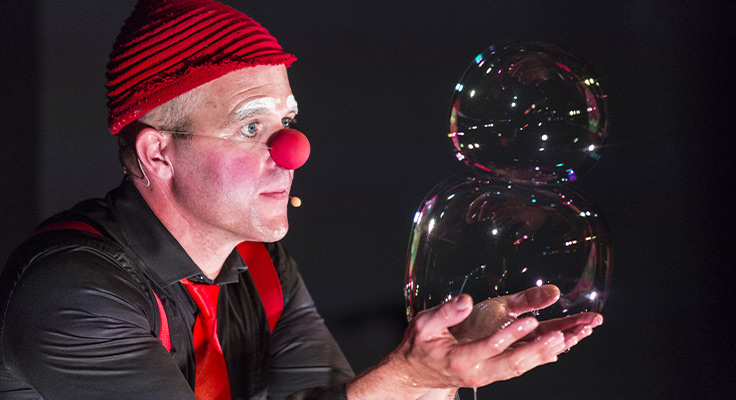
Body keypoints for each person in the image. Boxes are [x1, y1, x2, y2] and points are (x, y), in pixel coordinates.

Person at [0, 0, 603, 399]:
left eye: (286, 120)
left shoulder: (261, 266)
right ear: (159, 154)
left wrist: (439, 374)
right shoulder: (71, 293)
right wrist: (407, 374)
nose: (292, 150)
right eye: (248, 126)